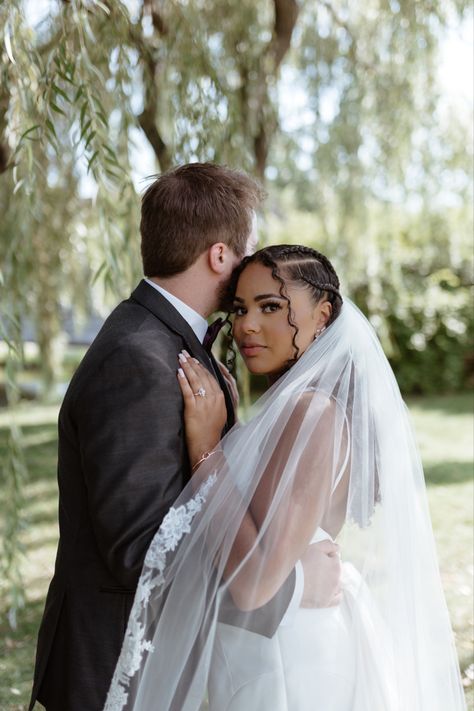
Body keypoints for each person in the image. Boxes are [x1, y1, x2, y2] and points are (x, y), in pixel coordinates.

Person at [29, 168, 341, 711]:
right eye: (244, 253)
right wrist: (288, 587)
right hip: (117, 669)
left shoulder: (166, 344)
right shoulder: (139, 357)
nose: (249, 266)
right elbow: (139, 550)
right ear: (220, 256)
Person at [105, 244, 466, 711]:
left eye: (270, 307)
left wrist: (209, 450)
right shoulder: (294, 409)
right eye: (239, 309)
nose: (246, 325)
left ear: (321, 316)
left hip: (289, 656)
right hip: (271, 642)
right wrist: (235, 435)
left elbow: (254, 582)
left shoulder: (312, 412)